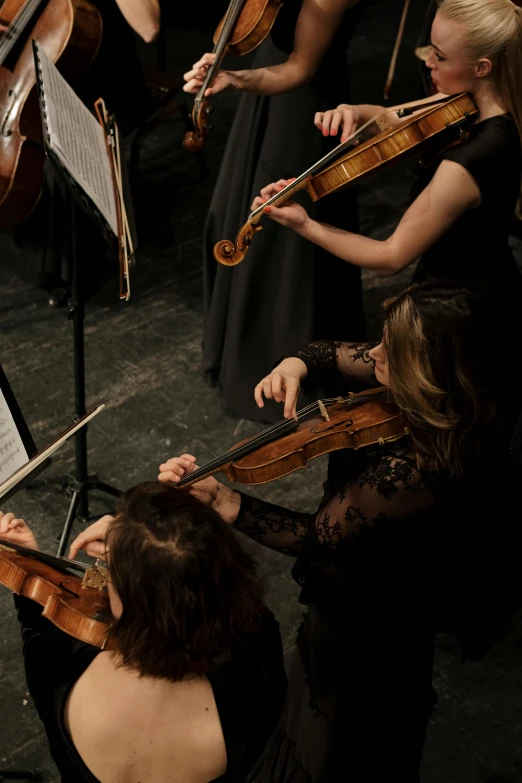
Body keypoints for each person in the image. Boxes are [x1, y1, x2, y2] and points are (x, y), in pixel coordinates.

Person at [158, 281, 522, 780]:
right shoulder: (460, 384)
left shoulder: (412, 474)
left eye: (387, 355)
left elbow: (316, 537)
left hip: (374, 617)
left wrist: (227, 502)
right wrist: (295, 366)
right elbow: (329, 353)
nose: (371, 355)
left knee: (344, 736)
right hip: (384, 575)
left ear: (424, 375)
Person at [0, 481, 287, 783]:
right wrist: (146, 548)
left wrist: (29, 559)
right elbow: (249, 612)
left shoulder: (59, 670)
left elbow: (37, 621)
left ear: (126, 604)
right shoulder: (255, 676)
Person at [252, 0, 522, 299]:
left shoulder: (472, 159)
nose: (428, 61)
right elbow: (391, 117)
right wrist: (352, 111)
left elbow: (390, 257)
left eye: (441, 57)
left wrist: (306, 225)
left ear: (482, 67)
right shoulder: (473, 101)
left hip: (458, 308)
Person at [183, 0, 367, 423]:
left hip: (303, 103)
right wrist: (233, 75)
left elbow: (299, 68)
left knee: (280, 239)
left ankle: (284, 369)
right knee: (234, 214)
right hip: (267, 93)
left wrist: (236, 78)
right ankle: (239, 352)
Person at [0, 0, 161, 300]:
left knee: (55, 156)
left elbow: (149, 27)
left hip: (101, 81)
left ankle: (69, 269)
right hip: (31, 74)